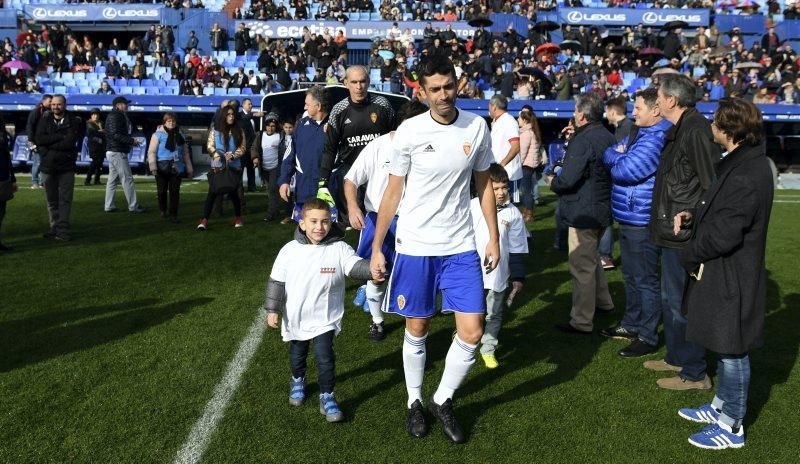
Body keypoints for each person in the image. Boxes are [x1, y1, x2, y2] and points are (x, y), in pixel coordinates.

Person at [369, 56, 500, 444]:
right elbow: (393, 191)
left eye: (449, 86)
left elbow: (485, 185)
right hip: (415, 246)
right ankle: (414, 401)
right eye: (435, 89)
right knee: (418, 326)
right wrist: (378, 246)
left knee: (473, 331)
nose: (444, 95)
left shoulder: (477, 127)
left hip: (460, 244)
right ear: (422, 92)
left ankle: (442, 399)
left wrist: (492, 236)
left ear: (458, 84)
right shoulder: (409, 130)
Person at [673, 98, 773, 450]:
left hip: (733, 273)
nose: (710, 126)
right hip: (725, 271)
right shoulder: (740, 162)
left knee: (733, 351)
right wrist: (692, 217)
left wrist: (689, 253)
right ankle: (719, 408)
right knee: (725, 344)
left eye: (715, 122)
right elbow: (719, 212)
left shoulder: (747, 172)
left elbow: (727, 232)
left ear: (728, 130)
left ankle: (732, 425)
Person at [263, 198, 374, 423]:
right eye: (313, 221)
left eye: (325, 222)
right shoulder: (289, 251)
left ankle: (327, 396)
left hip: (325, 318)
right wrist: (273, 309)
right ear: (302, 223)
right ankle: (297, 379)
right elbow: (277, 282)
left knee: (325, 358)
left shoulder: (339, 248)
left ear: (331, 223)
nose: (319, 227)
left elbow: (354, 266)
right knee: (298, 354)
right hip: (297, 317)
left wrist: (373, 269)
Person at [648, 74, 721, 391]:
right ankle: (677, 357)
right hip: (669, 232)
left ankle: (695, 372)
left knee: (682, 303)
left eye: (659, 97)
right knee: (670, 299)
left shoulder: (695, 131)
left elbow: (712, 185)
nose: (657, 101)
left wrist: (693, 219)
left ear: (672, 100)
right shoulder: (680, 130)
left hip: (684, 235)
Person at [344, 99, 429, 342]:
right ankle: (377, 321)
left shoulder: (423, 148)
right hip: (378, 219)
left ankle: (413, 321)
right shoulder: (377, 146)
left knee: (412, 275)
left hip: (413, 221)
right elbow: (351, 180)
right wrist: (352, 206)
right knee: (377, 274)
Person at [600, 88, 672, 357]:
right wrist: (618, 155)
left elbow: (625, 170)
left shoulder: (656, 137)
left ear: (655, 110)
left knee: (645, 279)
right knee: (631, 275)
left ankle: (648, 335)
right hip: (631, 215)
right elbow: (612, 155)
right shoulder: (642, 133)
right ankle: (631, 324)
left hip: (642, 218)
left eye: (638, 108)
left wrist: (618, 156)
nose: (633, 112)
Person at [548, 92, 616, 335]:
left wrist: (554, 180)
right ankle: (604, 302)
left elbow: (568, 178)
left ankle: (581, 320)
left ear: (584, 115)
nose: (574, 115)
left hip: (583, 210)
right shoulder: (607, 136)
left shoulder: (583, 139)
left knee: (582, 267)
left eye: (576, 111)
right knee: (591, 260)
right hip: (601, 207)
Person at [317, 65, 395, 227]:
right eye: (354, 82)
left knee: (383, 223)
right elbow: (330, 148)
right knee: (353, 225)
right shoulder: (338, 111)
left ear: (368, 81)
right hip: (350, 176)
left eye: (362, 81)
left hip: (380, 174)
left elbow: (396, 140)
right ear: (345, 83)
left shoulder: (383, 105)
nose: (359, 87)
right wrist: (323, 181)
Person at [470, 164, 528, 369]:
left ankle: (488, 348)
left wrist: (518, 276)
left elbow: (518, 246)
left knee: (494, 313)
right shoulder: (472, 207)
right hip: (472, 272)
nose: (502, 193)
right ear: (484, 188)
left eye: (505, 187)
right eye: (496, 189)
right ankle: (466, 336)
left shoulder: (513, 214)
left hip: (499, 274)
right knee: (472, 312)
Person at [35, 95, 84, 242]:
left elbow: (69, 143)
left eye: (59, 104)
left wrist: (49, 143)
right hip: (48, 166)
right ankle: (54, 227)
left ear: (65, 105)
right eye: (53, 104)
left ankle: (63, 230)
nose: (56, 107)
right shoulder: (44, 119)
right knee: (51, 200)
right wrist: (57, 138)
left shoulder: (74, 121)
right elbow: (39, 139)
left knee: (65, 200)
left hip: (66, 166)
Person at [279, 86, 329, 222]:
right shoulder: (300, 126)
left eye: (307, 104)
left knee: (327, 235)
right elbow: (289, 157)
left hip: (328, 194)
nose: (305, 107)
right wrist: (284, 181)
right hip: (304, 191)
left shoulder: (335, 126)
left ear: (318, 106)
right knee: (303, 235)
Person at [198, 106, 246, 230]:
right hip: (218, 166)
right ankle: (204, 220)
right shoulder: (215, 130)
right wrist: (216, 154)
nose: (231, 116)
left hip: (234, 167)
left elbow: (243, 147)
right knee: (212, 193)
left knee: (234, 193)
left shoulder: (239, 130)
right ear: (223, 115)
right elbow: (210, 145)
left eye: (233, 114)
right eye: (228, 114)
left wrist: (234, 155)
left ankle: (238, 218)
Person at [147, 113, 194, 223]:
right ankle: (163, 210)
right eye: (168, 121)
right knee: (161, 191)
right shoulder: (157, 135)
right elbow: (151, 152)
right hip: (161, 167)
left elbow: (186, 154)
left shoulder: (181, 135)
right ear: (164, 122)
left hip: (177, 166)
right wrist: (153, 167)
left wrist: (190, 169)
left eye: (173, 121)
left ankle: (174, 214)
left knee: (175, 192)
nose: (171, 123)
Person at [104, 96, 145, 214]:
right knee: (127, 178)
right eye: (124, 103)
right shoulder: (116, 116)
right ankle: (133, 206)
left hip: (115, 150)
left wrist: (130, 141)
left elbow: (115, 134)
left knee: (112, 180)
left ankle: (109, 205)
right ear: (118, 105)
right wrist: (131, 141)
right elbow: (115, 134)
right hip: (117, 151)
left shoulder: (117, 115)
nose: (127, 105)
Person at [488, 94, 521, 203]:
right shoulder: (499, 121)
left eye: (489, 105)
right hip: (499, 174)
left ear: (494, 107)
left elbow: (515, 147)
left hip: (508, 174)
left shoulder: (509, 121)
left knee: (508, 209)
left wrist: (502, 164)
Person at [252, 113, 282, 222]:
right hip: (264, 168)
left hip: (276, 167)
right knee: (270, 191)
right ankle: (276, 210)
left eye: (273, 126)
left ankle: (270, 214)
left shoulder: (280, 135)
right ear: (265, 126)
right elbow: (254, 147)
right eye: (268, 125)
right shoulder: (260, 135)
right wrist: (255, 158)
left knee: (273, 189)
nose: (270, 128)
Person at [517, 109, 542, 223]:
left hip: (526, 165)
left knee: (526, 191)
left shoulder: (527, 133)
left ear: (525, 120)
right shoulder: (532, 131)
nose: (518, 120)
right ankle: (527, 212)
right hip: (530, 165)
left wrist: (519, 164)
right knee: (527, 190)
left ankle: (529, 214)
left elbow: (523, 151)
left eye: (519, 118)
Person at [25, 94, 51, 190]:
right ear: (44, 101)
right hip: (36, 141)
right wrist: (31, 140)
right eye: (49, 101)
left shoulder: (48, 112)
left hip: (45, 142)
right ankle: (35, 182)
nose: (51, 103)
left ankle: (42, 182)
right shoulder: (36, 111)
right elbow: (30, 126)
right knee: (37, 162)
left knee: (44, 162)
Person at [0, 115, 15, 252]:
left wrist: (13, 179)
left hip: (3, 177)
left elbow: (6, 156)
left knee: (1, 212)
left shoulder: (3, 133)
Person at [240, 98, 261, 192]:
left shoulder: (253, 117)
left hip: (251, 147)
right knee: (240, 170)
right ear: (243, 105)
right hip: (242, 147)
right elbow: (244, 119)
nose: (251, 105)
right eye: (249, 104)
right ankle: (237, 188)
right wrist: (254, 114)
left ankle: (251, 187)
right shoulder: (240, 115)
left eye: (251, 104)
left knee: (251, 168)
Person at [84, 108, 105, 186]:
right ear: (91, 116)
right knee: (94, 163)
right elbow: (91, 133)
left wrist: (101, 132)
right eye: (93, 115)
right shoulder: (89, 123)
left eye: (96, 115)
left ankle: (97, 180)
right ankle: (87, 180)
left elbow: (103, 132)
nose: (95, 116)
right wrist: (100, 133)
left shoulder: (101, 123)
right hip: (93, 145)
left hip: (101, 146)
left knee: (100, 163)